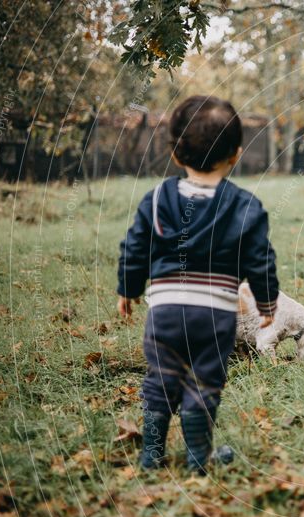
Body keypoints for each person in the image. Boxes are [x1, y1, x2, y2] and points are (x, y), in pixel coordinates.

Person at [116, 95, 279, 473]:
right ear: (235, 154)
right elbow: (260, 260)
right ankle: (197, 459)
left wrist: (128, 288)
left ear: (175, 153)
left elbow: (135, 246)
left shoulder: (155, 199)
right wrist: (267, 304)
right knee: (203, 382)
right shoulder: (245, 206)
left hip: (165, 312)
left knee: (161, 378)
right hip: (216, 315)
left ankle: (151, 455)